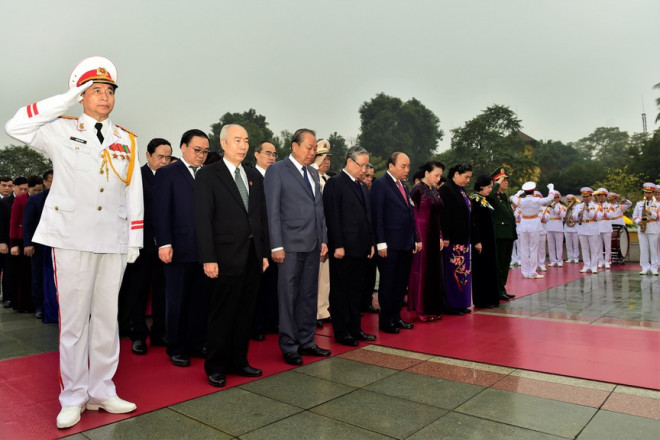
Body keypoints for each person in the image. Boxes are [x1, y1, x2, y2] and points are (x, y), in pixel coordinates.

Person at [4, 56, 143, 429]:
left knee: (106, 321)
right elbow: (15, 124)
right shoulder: (60, 130)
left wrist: (135, 238)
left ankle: (102, 390)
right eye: (95, 90)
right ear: (82, 95)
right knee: (74, 323)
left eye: (109, 91)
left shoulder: (126, 140)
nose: (104, 97)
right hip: (71, 238)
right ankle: (73, 395)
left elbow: (133, 193)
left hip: (111, 241)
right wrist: (65, 98)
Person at [194, 124, 270, 387]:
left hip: (251, 256)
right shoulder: (208, 175)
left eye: (246, 140)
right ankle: (215, 366)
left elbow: (260, 218)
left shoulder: (253, 176)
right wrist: (208, 258)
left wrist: (264, 253)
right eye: (237, 140)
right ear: (223, 143)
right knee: (222, 314)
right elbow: (203, 220)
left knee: (244, 313)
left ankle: (239, 361)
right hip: (223, 257)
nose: (243, 145)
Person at [264, 128, 330, 366]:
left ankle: (307, 340)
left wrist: (323, 239)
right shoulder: (277, 171)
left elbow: (319, 210)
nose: (313, 152)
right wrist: (276, 245)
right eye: (309, 147)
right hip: (289, 246)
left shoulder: (313, 174)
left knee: (308, 295)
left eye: (315, 149)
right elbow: (272, 211)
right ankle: (289, 345)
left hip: (313, 245)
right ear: (294, 146)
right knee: (288, 297)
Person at [153, 129, 209, 367]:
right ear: (183, 147)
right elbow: (160, 210)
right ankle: (175, 347)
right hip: (177, 248)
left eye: (205, 151)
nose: (201, 155)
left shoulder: (208, 174)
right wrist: (164, 243)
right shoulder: (168, 173)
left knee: (199, 300)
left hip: (204, 250)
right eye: (197, 150)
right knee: (176, 301)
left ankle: (196, 343)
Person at [323, 146, 376, 346]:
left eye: (366, 165)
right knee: (341, 291)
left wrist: (371, 242)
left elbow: (367, 217)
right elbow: (332, 216)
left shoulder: (361, 185)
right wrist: (337, 244)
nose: (364, 170)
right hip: (343, 248)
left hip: (361, 247)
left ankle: (355, 328)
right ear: (350, 162)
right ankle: (342, 332)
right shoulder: (335, 183)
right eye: (362, 165)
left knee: (356, 291)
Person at [127, 138, 171, 355]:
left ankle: (160, 333)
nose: (164, 161)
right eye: (160, 157)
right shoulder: (137, 177)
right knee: (139, 292)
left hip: (167, 246)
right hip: (141, 246)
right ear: (148, 156)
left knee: (163, 292)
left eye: (168, 157)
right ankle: (138, 335)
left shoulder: (172, 177)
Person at [371, 152, 420, 333]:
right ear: (391, 166)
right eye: (403, 166)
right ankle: (386, 321)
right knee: (388, 283)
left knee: (400, 284)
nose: (407, 170)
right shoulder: (380, 185)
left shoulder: (404, 186)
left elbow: (409, 214)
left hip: (405, 243)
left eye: (408, 166)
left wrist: (414, 238)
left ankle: (396, 317)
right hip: (389, 245)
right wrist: (381, 242)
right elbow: (377, 216)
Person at [407, 161, 445, 321]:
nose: (438, 178)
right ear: (427, 173)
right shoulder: (417, 189)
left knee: (434, 272)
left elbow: (438, 215)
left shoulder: (435, 190)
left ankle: (433, 308)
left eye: (440, 175)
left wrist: (441, 236)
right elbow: (412, 215)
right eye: (436, 175)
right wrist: (417, 237)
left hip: (434, 235)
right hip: (422, 235)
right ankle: (421, 310)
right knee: (422, 272)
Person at [251, 141, 279, 341]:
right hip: (256, 240)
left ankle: (272, 321)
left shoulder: (276, 177)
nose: (271, 157)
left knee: (274, 284)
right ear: (256, 154)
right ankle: (256, 325)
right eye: (267, 153)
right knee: (256, 287)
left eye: (274, 154)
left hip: (276, 239)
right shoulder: (250, 177)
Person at [438, 163, 474, 313]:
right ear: (457, 174)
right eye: (466, 177)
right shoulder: (447, 189)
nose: (468, 180)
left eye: (469, 178)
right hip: (452, 240)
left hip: (463, 238)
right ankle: (451, 305)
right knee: (453, 272)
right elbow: (444, 216)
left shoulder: (461, 190)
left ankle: (461, 303)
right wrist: (445, 236)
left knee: (463, 272)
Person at [9, 175, 44, 313]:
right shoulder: (20, 199)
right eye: (35, 190)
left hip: (39, 240)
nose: (37, 193)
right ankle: (24, 304)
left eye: (40, 190)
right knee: (24, 274)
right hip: (22, 240)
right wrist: (13, 244)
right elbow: (13, 221)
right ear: (28, 188)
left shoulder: (45, 198)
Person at [510, 182, 554, 279]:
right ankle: (532, 272)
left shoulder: (521, 201)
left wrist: (518, 193)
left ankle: (525, 272)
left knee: (524, 250)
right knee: (533, 249)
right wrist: (551, 188)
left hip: (523, 225)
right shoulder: (536, 200)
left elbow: (512, 198)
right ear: (533, 191)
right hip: (534, 225)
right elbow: (550, 198)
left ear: (525, 192)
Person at [486, 167, 517, 300]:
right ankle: (498, 290)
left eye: (506, 180)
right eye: (504, 180)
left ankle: (502, 288)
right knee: (499, 264)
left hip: (508, 234)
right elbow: (490, 198)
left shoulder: (503, 196)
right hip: (500, 235)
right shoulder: (493, 195)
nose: (506, 183)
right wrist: (496, 183)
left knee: (505, 263)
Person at [470, 175, 500, 308]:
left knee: (490, 268)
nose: (490, 189)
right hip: (481, 241)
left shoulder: (485, 200)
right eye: (488, 187)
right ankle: (482, 299)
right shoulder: (475, 200)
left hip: (489, 240)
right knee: (482, 270)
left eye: (491, 187)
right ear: (481, 186)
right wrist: (476, 240)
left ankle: (491, 297)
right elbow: (474, 222)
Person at [311, 140, 332, 328]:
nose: (326, 161)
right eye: (322, 157)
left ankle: (323, 309)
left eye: (328, 158)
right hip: (313, 233)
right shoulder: (310, 177)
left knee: (324, 276)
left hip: (326, 232)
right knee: (313, 276)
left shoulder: (326, 179)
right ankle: (313, 312)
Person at [0, 177, 27, 309]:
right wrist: (2, 242)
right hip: (7, 240)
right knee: (8, 270)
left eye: (25, 189)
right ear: (15, 187)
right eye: (20, 188)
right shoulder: (5, 202)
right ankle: (8, 297)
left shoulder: (28, 199)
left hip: (21, 240)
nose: (23, 191)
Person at [361, 163, 379, 314]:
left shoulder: (374, 191)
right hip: (359, 241)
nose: (369, 180)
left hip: (374, 239)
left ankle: (367, 302)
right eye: (366, 176)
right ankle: (358, 304)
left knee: (371, 275)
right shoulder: (356, 190)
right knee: (360, 275)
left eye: (371, 177)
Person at [572, 187, 602, 273]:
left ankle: (593, 266)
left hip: (592, 228)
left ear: (591, 196)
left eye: (587, 196)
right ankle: (586, 265)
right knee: (584, 249)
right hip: (582, 228)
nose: (585, 198)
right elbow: (573, 218)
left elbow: (599, 217)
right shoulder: (578, 206)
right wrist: (578, 214)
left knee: (594, 249)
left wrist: (589, 211)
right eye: (584, 196)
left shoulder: (596, 206)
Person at [633, 183, 659, 275]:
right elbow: (634, 216)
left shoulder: (657, 204)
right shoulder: (639, 204)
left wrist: (650, 213)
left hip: (653, 228)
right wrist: (638, 221)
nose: (647, 195)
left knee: (653, 249)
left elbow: (658, 217)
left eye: (649, 193)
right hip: (642, 228)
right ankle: (644, 267)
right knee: (643, 249)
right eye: (645, 193)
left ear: (653, 193)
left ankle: (654, 267)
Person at [544, 190, 566, 267]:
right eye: (553, 198)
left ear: (558, 198)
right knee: (551, 245)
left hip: (558, 228)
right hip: (549, 227)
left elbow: (563, 215)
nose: (554, 199)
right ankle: (553, 260)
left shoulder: (562, 207)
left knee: (559, 245)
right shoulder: (548, 207)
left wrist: (555, 208)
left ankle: (560, 260)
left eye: (556, 198)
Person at [594, 188, 613, 269]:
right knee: (599, 246)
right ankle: (600, 261)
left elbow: (611, 216)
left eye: (602, 196)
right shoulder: (595, 205)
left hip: (607, 227)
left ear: (606, 197)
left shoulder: (610, 205)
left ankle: (607, 261)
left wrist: (604, 213)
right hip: (598, 227)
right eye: (599, 196)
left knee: (608, 246)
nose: (601, 197)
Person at [563, 194, 580, 263]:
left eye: (571, 201)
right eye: (568, 201)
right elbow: (562, 218)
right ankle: (570, 257)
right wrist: (565, 216)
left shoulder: (577, 208)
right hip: (567, 227)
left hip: (575, 227)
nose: (569, 203)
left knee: (575, 244)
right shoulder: (565, 208)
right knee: (568, 244)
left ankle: (576, 257)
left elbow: (579, 217)